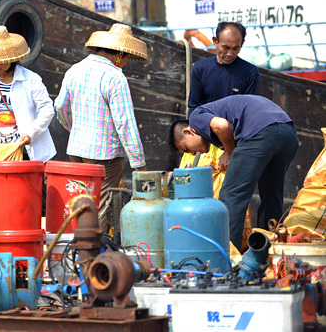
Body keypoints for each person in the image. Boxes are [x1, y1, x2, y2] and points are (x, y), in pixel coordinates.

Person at [173, 95, 298, 251]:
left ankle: (228, 257)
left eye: (186, 148)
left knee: (231, 197)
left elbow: (222, 126)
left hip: (261, 132)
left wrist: (230, 152)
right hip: (288, 134)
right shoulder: (223, 111)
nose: (191, 154)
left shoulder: (196, 117)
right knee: (271, 197)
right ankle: (270, 253)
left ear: (188, 132)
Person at [55, 23, 148, 233]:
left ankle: (78, 251)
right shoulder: (115, 77)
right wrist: (138, 162)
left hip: (77, 151)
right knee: (101, 207)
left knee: (82, 203)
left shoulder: (74, 70)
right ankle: (94, 256)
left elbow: (60, 106)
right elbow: (125, 123)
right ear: (120, 55)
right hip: (105, 155)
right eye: (126, 59)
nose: (125, 63)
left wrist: (75, 129)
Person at [0, 25, 56, 162]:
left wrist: (31, 133)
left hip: (25, 150)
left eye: (0, 61)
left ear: (12, 59)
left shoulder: (31, 79)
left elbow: (47, 109)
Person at [187, 21, 259, 117]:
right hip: (206, 125)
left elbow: (249, 111)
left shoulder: (250, 73)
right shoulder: (200, 68)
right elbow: (194, 107)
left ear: (242, 44)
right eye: (226, 47)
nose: (230, 53)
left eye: (235, 48)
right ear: (215, 41)